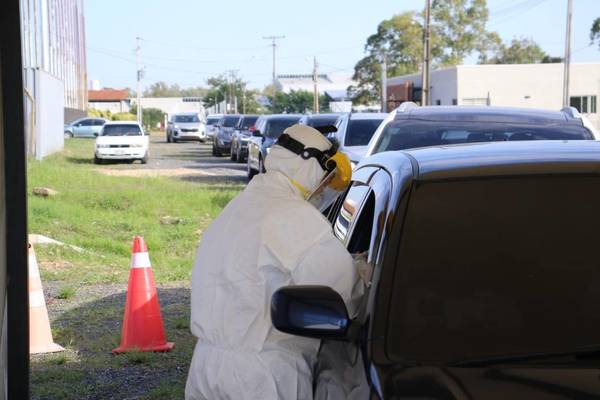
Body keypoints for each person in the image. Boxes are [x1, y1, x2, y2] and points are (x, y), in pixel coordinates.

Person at [185, 124, 362, 400]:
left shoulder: (240, 206)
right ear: (312, 169)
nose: (325, 189)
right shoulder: (299, 219)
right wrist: (363, 273)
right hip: (261, 377)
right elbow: (344, 298)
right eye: (327, 180)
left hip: (206, 368)